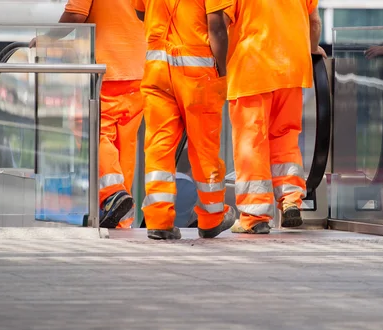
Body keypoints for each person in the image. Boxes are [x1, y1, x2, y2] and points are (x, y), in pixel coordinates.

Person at [31, 0, 146, 229]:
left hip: (106, 69)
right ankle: (122, 222)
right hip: (139, 69)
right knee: (126, 144)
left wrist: (47, 39)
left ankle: (113, 193)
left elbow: (76, 15)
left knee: (95, 132)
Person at [132, 0, 236, 240]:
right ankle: (211, 218)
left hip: (157, 69)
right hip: (197, 75)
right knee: (204, 149)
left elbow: (139, 11)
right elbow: (217, 26)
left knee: (159, 145)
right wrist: (222, 72)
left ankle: (159, 221)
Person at [223, 0, 326, 234]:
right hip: (291, 69)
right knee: (286, 138)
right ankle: (291, 199)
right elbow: (315, 22)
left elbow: (220, 21)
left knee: (252, 142)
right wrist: (313, 48)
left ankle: (254, 216)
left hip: (251, 69)